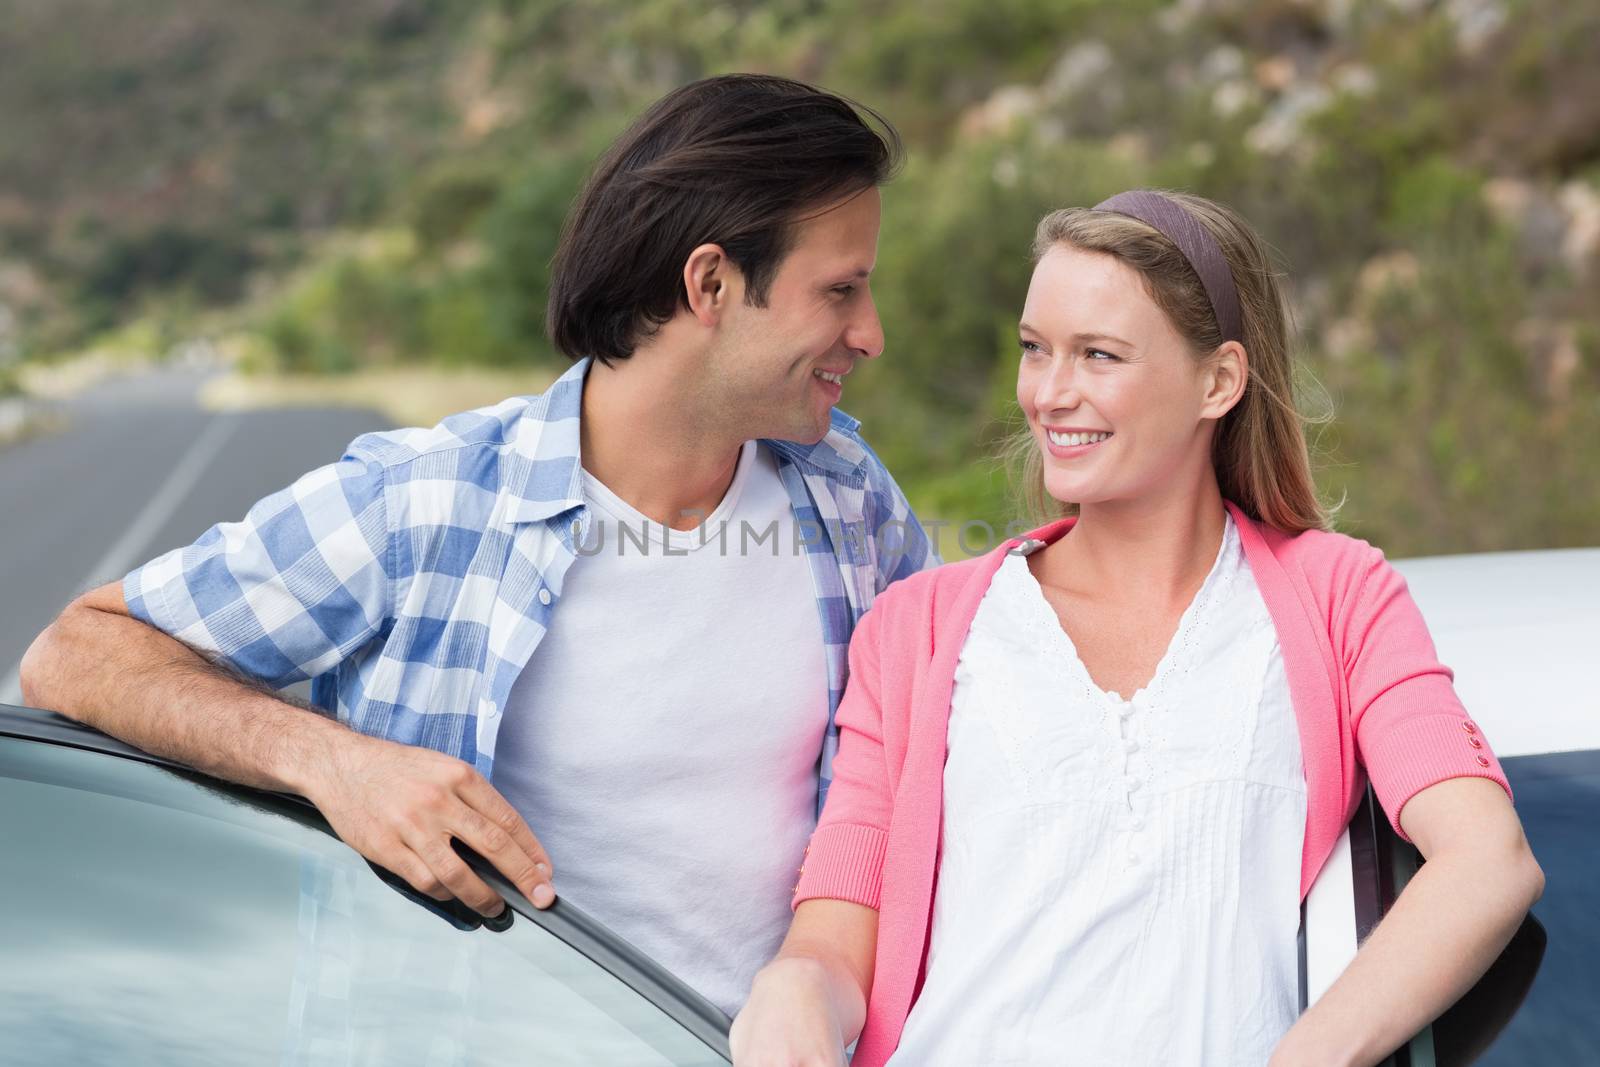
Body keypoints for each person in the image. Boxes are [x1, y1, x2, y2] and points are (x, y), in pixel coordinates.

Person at [19, 74, 935, 1017]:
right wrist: (337, 764)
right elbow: (78, 653)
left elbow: (947, 758)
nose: (869, 333)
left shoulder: (852, 506)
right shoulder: (426, 501)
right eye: (841, 291)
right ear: (710, 283)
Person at [730, 190, 1544, 1065]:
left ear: (1218, 380)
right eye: (1035, 349)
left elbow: (1486, 859)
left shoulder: (1338, 596)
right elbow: (835, 942)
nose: (1049, 392)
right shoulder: (918, 630)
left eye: (1098, 355)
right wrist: (791, 987)